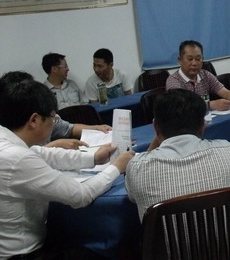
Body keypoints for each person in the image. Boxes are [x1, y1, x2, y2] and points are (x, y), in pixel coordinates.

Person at [0, 79, 134, 259]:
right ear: (34, 120)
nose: (55, 123)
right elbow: (81, 195)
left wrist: (94, 157)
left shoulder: (7, 140)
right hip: (25, 254)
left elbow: (45, 154)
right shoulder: (17, 158)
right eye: (53, 118)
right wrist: (116, 167)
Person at [125, 89, 230, 220]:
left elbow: (133, 196)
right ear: (203, 125)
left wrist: (156, 137)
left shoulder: (137, 167)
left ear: (156, 127)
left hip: (166, 235)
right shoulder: (228, 150)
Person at [2, 71, 110, 150]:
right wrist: (54, 146)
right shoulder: (8, 132)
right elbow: (25, 157)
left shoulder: (44, 115)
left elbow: (68, 128)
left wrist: (96, 128)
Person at [165, 40, 230, 111]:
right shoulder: (174, 80)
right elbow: (182, 105)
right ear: (180, 60)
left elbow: (225, 92)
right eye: (190, 59)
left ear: (202, 59)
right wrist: (210, 105)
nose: (194, 63)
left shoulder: (205, 75)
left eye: (198, 59)